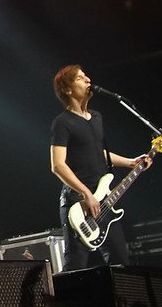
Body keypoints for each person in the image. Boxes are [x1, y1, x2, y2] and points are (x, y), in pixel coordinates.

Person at [49, 65, 150, 271]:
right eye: (80, 78)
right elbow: (58, 165)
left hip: (103, 201)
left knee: (121, 263)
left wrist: (131, 162)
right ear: (68, 89)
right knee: (76, 265)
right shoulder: (63, 122)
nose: (88, 80)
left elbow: (98, 153)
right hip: (78, 203)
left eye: (86, 76)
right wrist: (86, 193)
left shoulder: (96, 117)